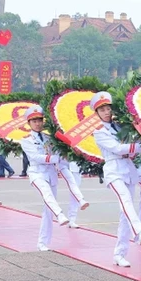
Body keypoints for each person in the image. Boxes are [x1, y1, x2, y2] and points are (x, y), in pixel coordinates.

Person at [91, 91, 141, 267]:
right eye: (102, 110)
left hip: (128, 169)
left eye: (108, 108)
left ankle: (119, 253)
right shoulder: (99, 132)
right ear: (96, 113)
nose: (106, 112)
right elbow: (117, 148)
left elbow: (133, 138)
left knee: (125, 213)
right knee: (126, 201)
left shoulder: (121, 126)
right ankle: (139, 231)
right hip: (113, 170)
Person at [20, 105, 88, 251]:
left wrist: (70, 155)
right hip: (37, 173)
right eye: (34, 121)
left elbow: (60, 156)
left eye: (39, 120)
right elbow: (36, 157)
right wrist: (56, 158)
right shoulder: (26, 140)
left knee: (47, 210)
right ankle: (60, 214)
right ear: (29, 123)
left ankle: (42, 242)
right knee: (47, 194)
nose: (38, 123)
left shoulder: (49, 138)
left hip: (50, 175)